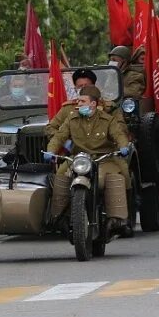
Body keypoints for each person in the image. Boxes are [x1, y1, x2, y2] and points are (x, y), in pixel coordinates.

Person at [43, 85, 132, 237]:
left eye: (83, 101)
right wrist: (51, 150)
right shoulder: (72, 118)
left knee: (117, 176)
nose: (79, 104)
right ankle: (59, 217)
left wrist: (124, 147)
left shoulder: (107, 120)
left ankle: (118, 219)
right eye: (79, 100)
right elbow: (59, 136)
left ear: (93, 103)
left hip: (103, 158)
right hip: (78, 158)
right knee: (61, 175)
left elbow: (119, 135)